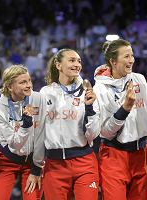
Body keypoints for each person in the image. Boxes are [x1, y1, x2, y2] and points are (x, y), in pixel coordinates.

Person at [93, 38, 147, 200]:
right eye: (126, 56)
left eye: (132, 55)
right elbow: (105, 132)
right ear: (113, 61)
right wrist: (125, 109)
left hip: (141, 154)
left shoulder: (139, 79)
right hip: (114, 155)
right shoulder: (100, 89)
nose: (132, 60)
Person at [40, 48, 100, 200]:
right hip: (54, 164)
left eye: (79, 61)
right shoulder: (45, 93)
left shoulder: (87, 92)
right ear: (58, 65)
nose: (77, 64)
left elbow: (93, 134)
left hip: (84, 161)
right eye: (72, 60)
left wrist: (90, 107)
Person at [0, 65, 45, 200]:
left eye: (29, 81)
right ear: (9, 87)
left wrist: (37, 167)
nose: (29, 85)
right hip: (6, 159)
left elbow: (41, 134)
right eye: (23, 82)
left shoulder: (38, 98)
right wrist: (26, 125)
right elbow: (15, 144)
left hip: (32, 161)